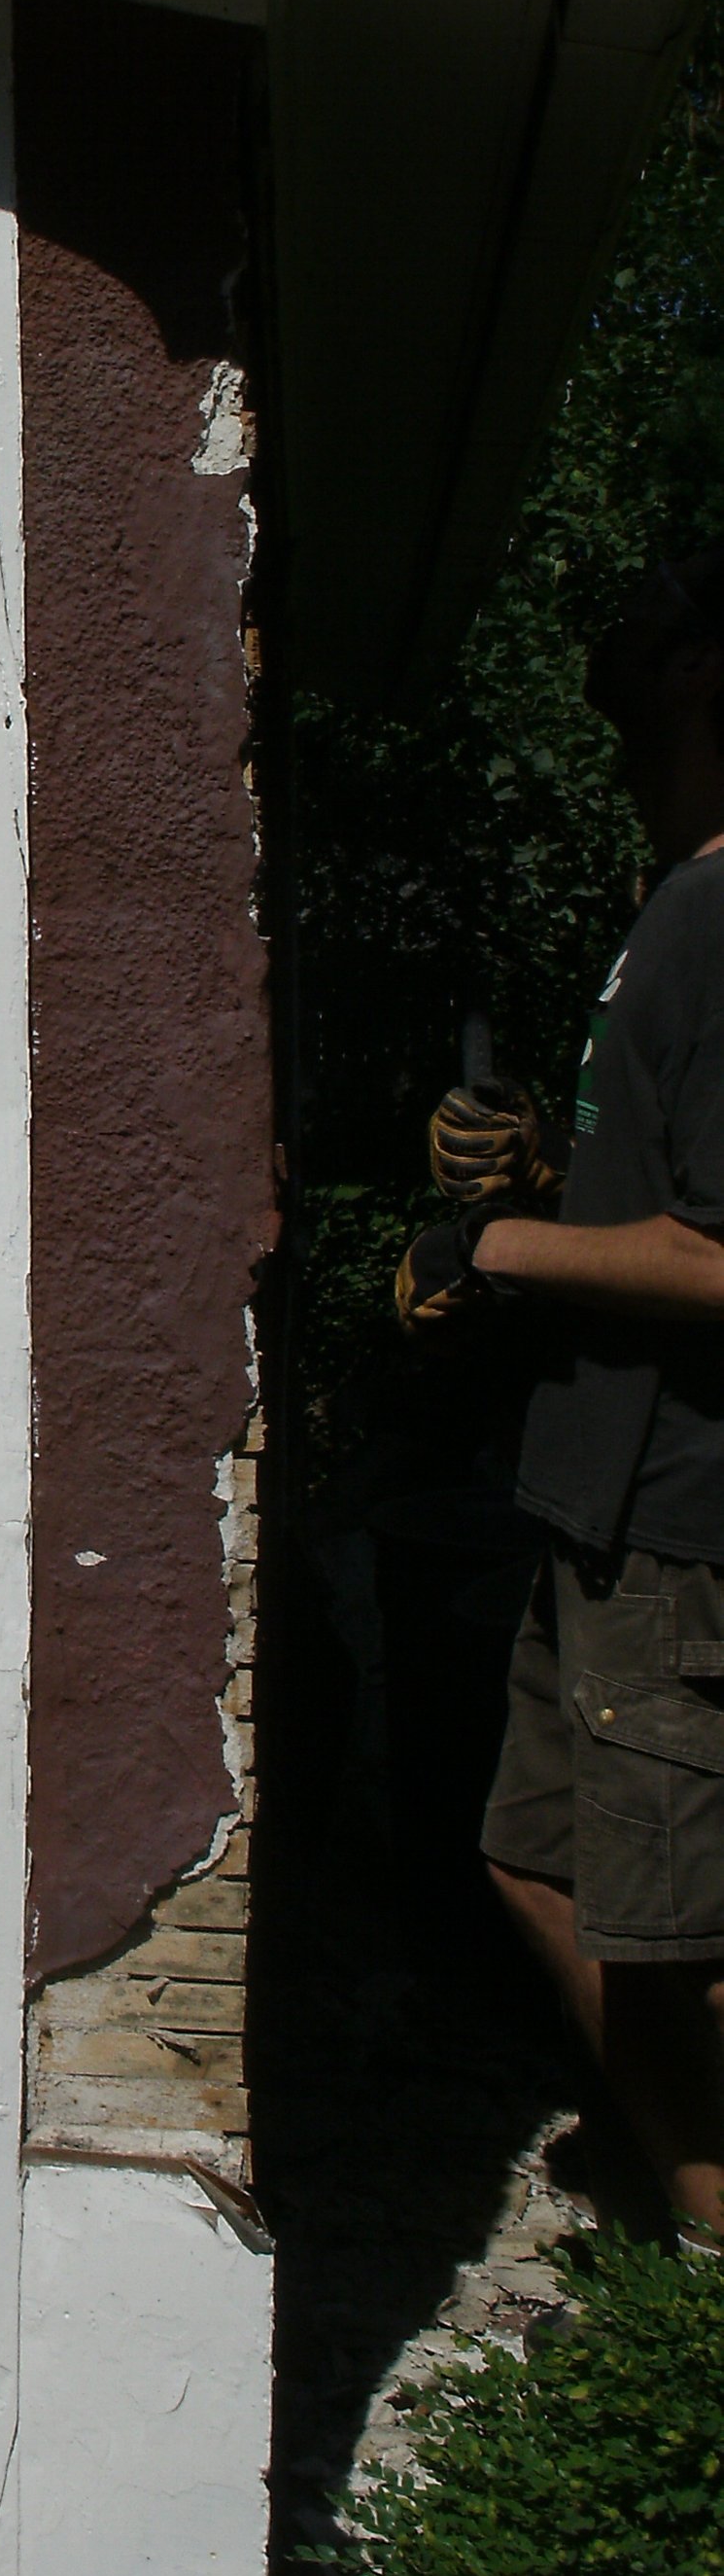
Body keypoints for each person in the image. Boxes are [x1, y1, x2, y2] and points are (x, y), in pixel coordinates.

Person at [398, 547, 724, 2252]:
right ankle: (691, 2203)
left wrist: (501, 1240)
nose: (614, 662)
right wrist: (544, 1176)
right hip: (602, 1501)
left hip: (685, 1511)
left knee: (680, 1928)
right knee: (549, 1863)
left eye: (656, 632)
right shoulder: (678, 898)